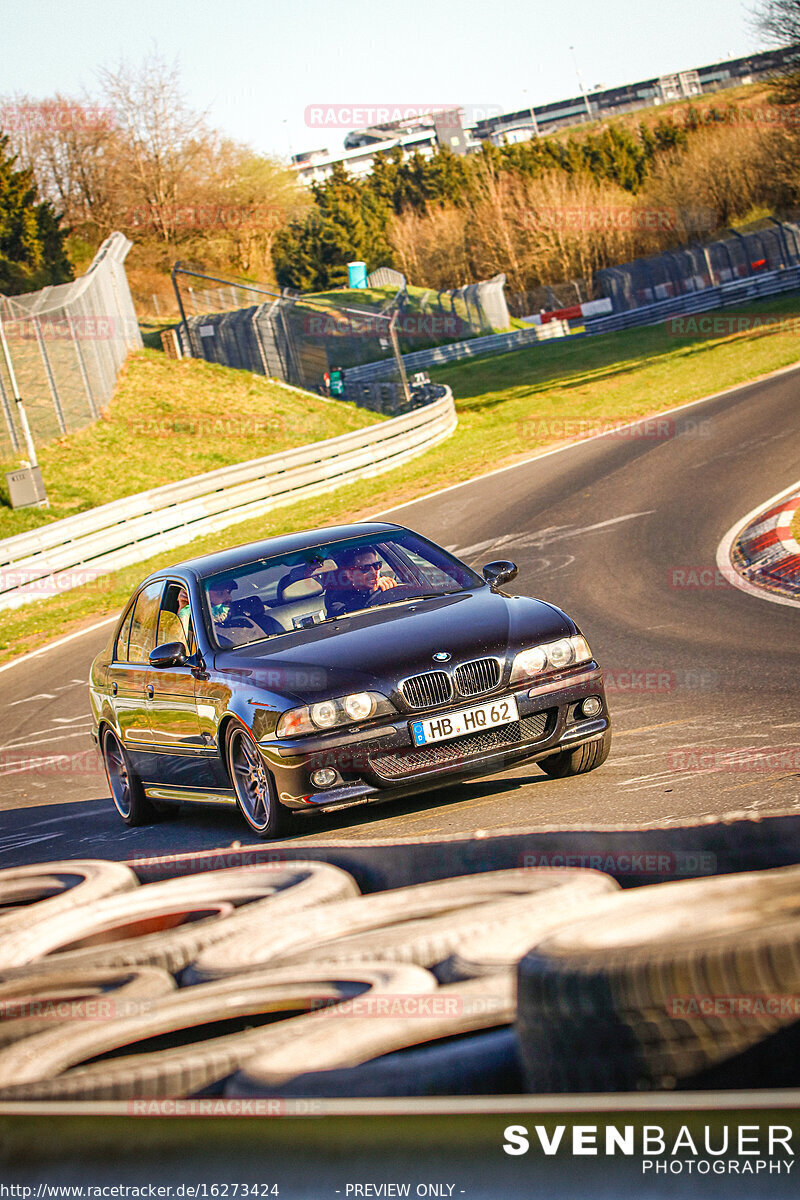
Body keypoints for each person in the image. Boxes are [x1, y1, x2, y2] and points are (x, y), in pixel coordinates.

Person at [323, 546, 397, 618]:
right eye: (365, 568)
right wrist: (374, 593)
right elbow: (351, 617)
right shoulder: (336, 600)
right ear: (350, 574)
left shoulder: (385, 583)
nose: (374, 572)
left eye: (376, 565)